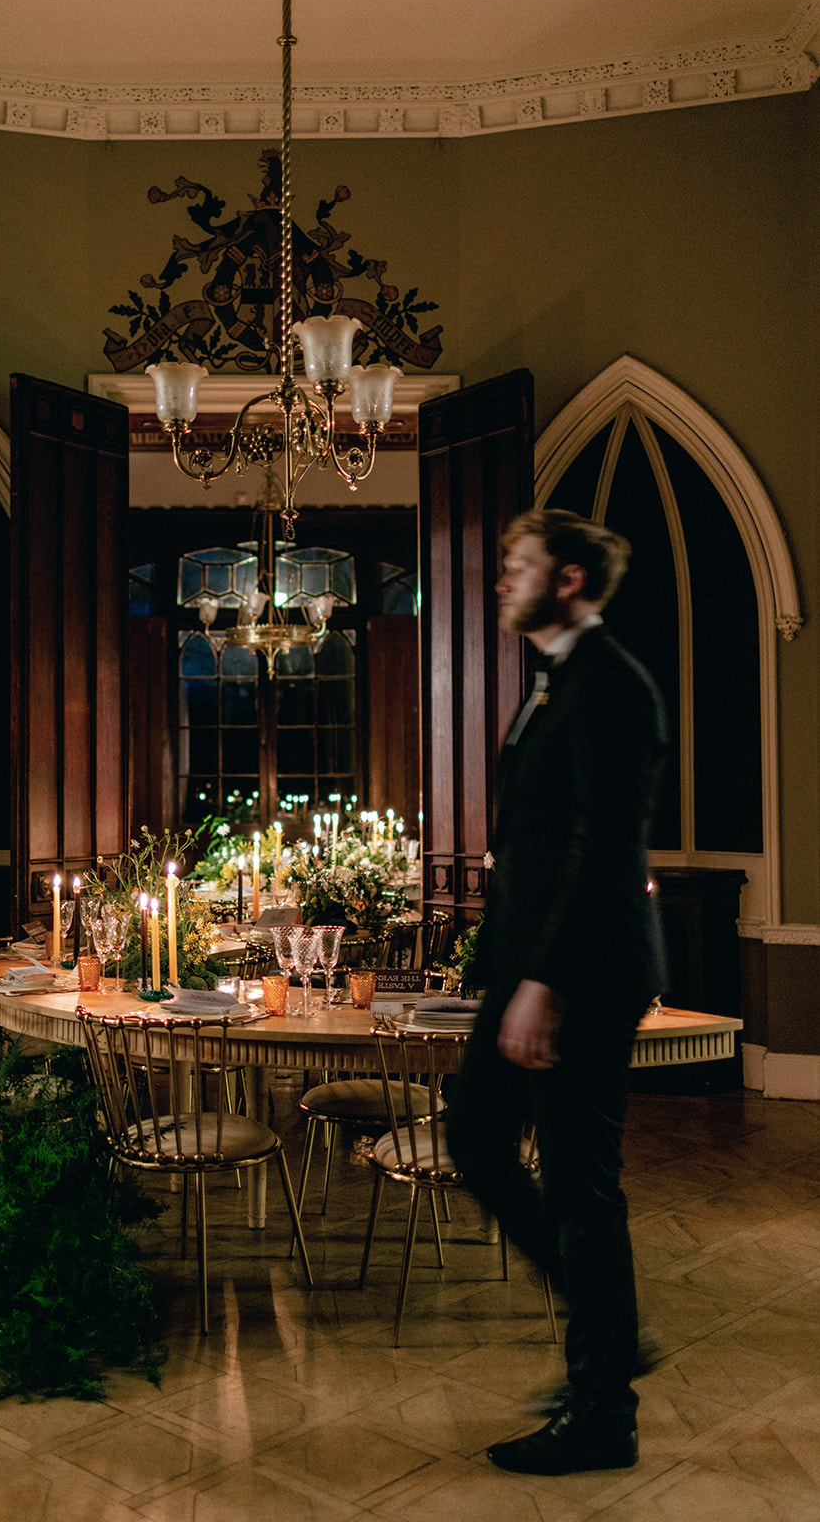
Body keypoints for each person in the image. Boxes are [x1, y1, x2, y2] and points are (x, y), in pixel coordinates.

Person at [446, 507, 667, 1477]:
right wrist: (491, 966)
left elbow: (600, 844)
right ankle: (603, 1327)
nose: (501, 579)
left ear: (568, 579)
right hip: (525, 964)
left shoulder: (609, 683)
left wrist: (541, 980)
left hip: (577, 972)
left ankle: (601, 1408)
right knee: (474, 1135)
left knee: (580, 1185)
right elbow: (527, 844)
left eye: (517, 565)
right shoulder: (552, 681)